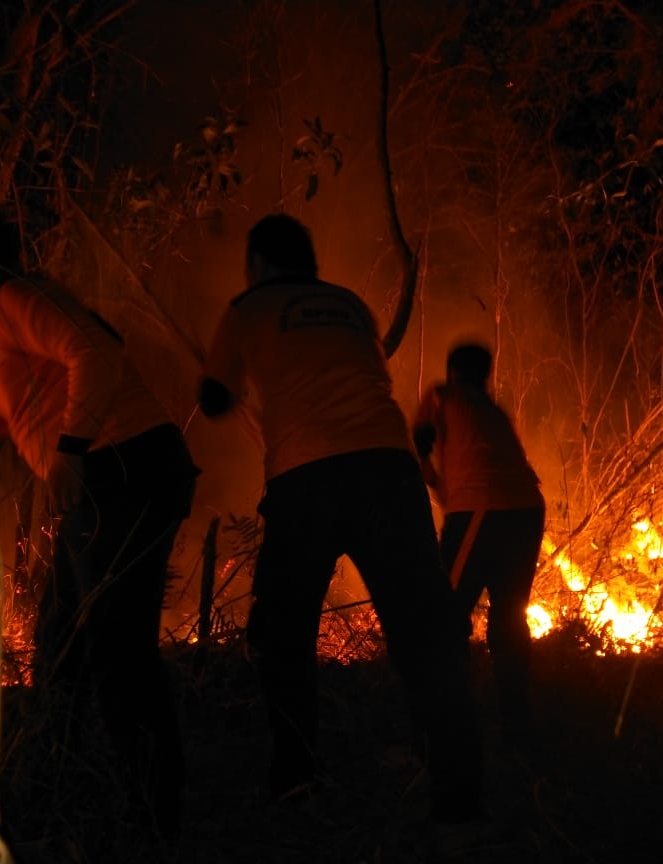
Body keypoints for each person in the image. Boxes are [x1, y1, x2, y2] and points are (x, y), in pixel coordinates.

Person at [0, 201, 199, 842]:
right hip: (104, 481)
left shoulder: (21, 299)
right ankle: (56, 781)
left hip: (125, 469)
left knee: (116, 649)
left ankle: (156, 815)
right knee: (62, 641)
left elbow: (94, 349)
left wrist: (70, 448)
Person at [198, 213, 484, 828]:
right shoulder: (350, 305)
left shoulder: (247, 307)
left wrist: (222, 378)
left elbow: (215, 399)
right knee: (421, 629)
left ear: (258, 264)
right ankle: (458, 786)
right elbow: (366, 377)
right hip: (389, 469)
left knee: (284, 633)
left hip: (307, 479)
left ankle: (296, 776)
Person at [412, 342, 545, 741]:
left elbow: (421, 438)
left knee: (446, 614)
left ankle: (447, 717)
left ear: (451, 371)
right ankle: (514, 718)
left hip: (482, 512)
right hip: (526, 512)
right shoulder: (493, 413)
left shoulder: (441, 395)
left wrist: (423, 467)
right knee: (508, 615)